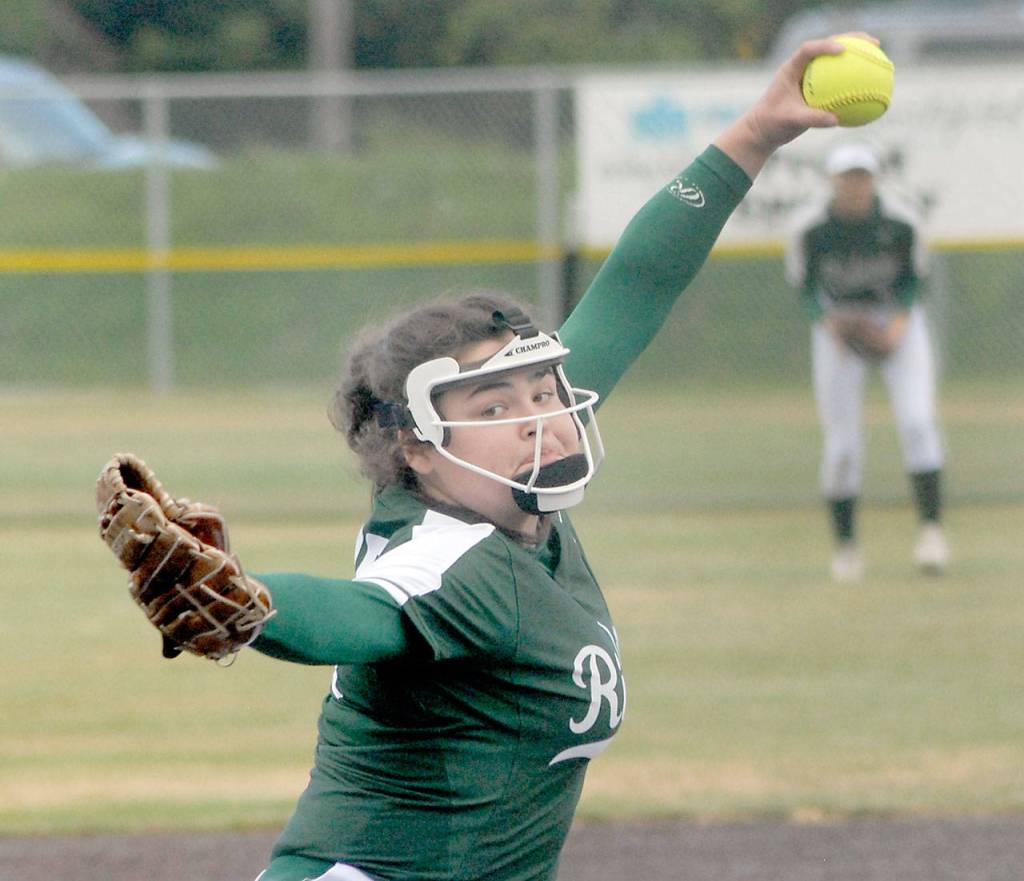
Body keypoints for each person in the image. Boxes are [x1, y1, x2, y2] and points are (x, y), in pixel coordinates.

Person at [227, 36, 850, 881]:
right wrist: (245, 600)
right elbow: (358, 615)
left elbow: (638, 282)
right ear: (418, 445)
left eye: (545, 392)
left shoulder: (510, 491)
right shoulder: (458, 554)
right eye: (496, 406)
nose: (540, 420)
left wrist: (754, 134)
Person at [785, 141, 949, 583]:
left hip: (898, 324)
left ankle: (931, 535)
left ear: (875, 179)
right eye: (847, 176)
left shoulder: (901, 222)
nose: (855, 184)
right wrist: (827, 324)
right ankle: (846, 549)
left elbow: (917, 281)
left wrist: (898, 322)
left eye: (862, 175)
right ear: (833, 181)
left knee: (918, 423)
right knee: (842, 447)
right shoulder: (810, 228)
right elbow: (804, 286)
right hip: (839, 330)